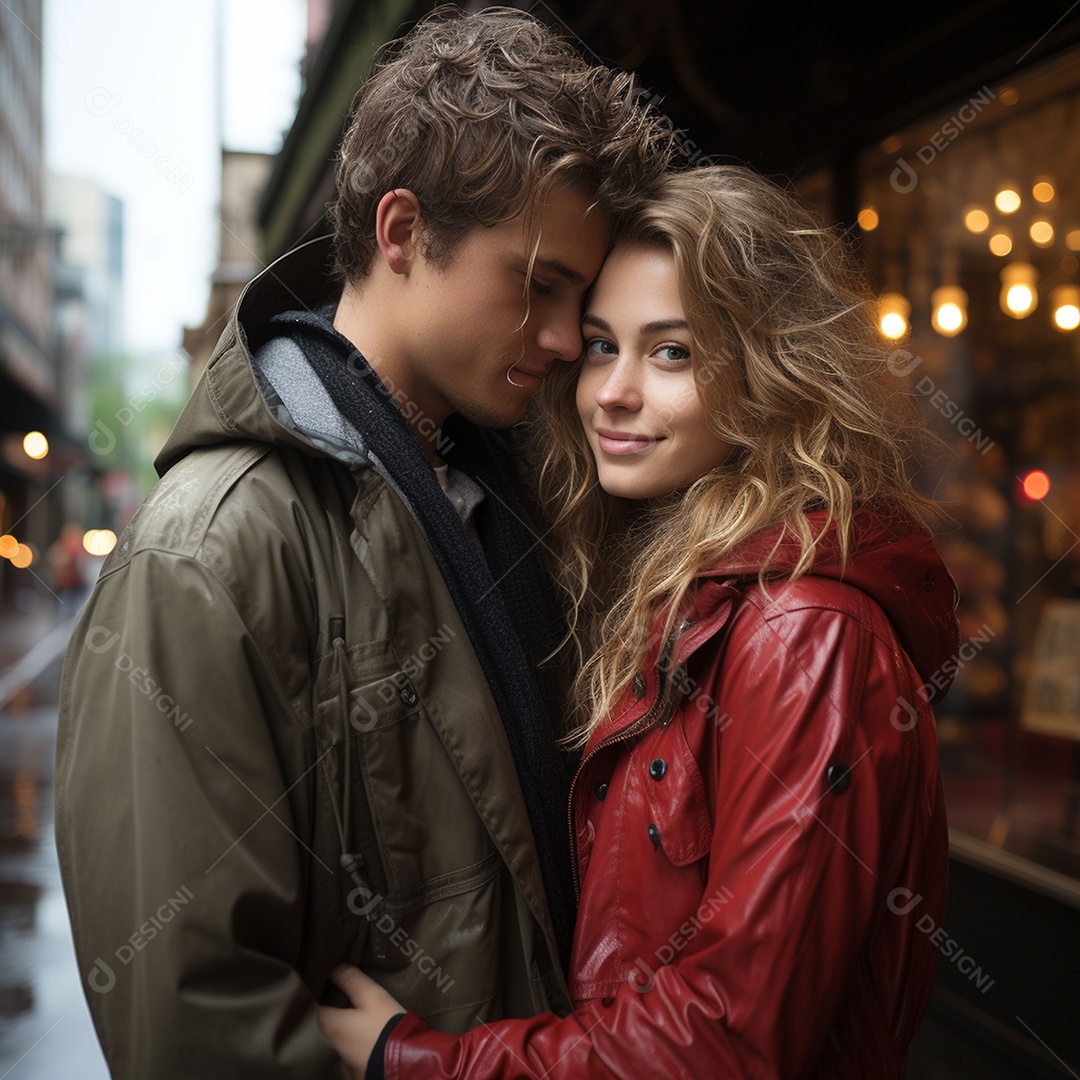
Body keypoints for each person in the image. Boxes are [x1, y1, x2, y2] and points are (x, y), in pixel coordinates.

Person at [55, 7, 669, 1077]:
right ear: (402, 232)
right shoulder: (207, 555)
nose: (568, 339)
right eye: (539, 285)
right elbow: (197, 1025)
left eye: (581, 298)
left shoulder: (530, 494)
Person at [317, 165, 960, 1079]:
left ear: (771, 371)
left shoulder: (805, 632)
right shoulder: (670, 589)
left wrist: (420, 1063)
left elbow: (733, 1037)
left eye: (672, 353)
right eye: (598, 346)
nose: (612, 392)